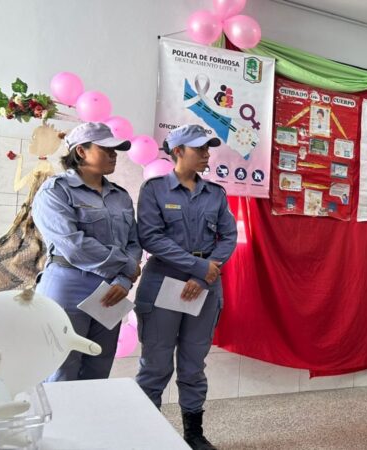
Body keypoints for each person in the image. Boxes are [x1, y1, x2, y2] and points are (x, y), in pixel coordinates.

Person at [134, 124, 237, 450]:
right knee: (156, 365)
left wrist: (204, 273)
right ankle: (146, 436)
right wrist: (197, 268)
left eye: (208, 148)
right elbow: (151, 237)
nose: (207, 154)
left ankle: (194, 434)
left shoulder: (215, 194)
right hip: (164, 281)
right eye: (199, 149)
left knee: (194, 364)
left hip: (205, 284)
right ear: (178, 151)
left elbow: (229, 237)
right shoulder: (154, 190)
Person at [32, 122, 141, 381]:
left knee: (98, 367)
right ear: (81, 151)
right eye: (107, 150)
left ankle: (89, 421)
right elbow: (74, 245)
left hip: (111, 288)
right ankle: (58, 423)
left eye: (116, 151)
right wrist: (126, 267)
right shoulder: (55, 191)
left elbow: (134, 242)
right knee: (61, 369)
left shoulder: (120, 196)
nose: (115, 155)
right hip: (68, 285)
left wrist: (124, 281)